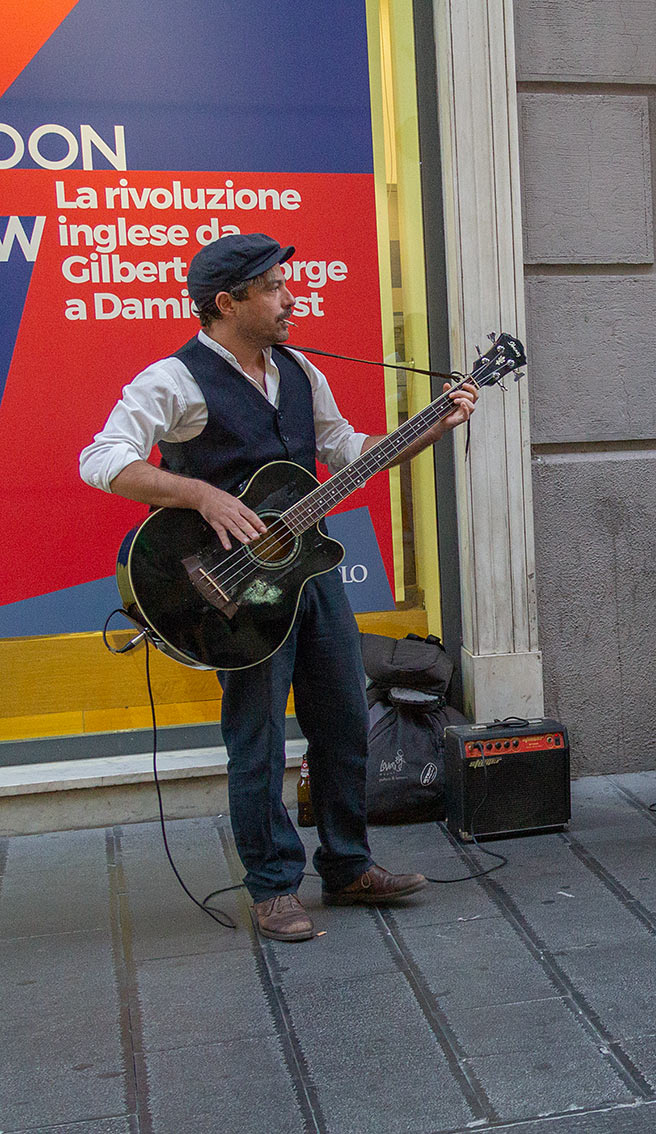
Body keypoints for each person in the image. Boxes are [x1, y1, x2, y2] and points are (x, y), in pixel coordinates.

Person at [79, 233, 478, 942]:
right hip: (229, 589)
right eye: (272, 288)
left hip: (308, 577)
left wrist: (433, 425)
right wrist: (200, 495)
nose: (290, 298)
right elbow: (101, 460)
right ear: (226, 302)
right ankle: (271, 887)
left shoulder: (299, 372)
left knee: (344, 723)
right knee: (257, 738)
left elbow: (352, 453)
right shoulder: (173, 381)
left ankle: (348, 866)